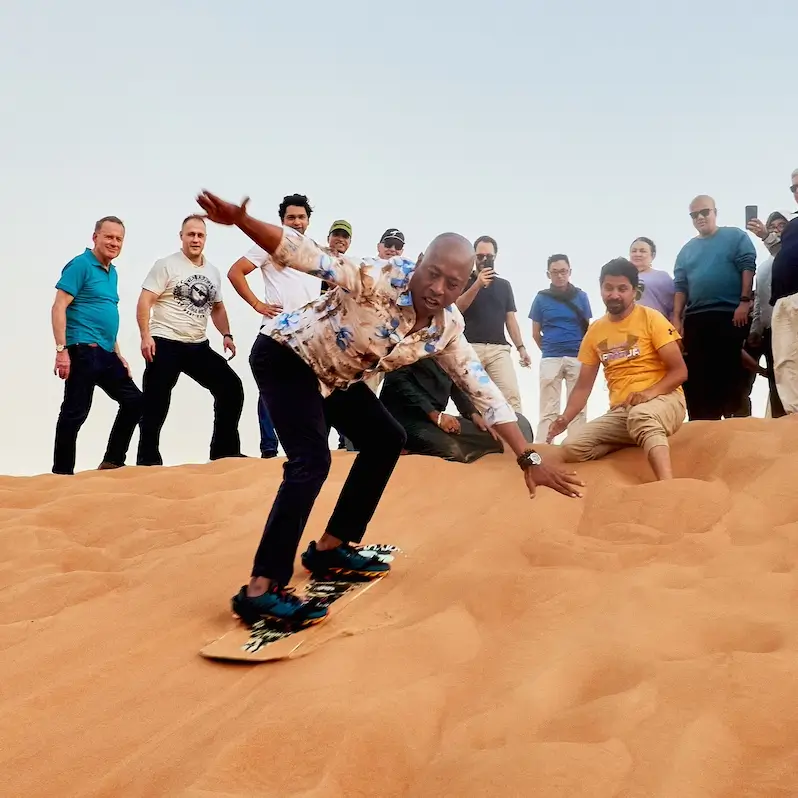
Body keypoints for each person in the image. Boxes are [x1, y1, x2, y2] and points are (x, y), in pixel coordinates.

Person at [194, 189, 585, 629]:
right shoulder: (374, 276)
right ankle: (261, 589)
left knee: (387, 438)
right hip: (288, 355)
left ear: (463, 286)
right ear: (419, 262)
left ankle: (331, 547)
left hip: (337, 376)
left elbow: (484, 394)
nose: (438, 289)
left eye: (452, 284)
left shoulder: (448, 328)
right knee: (311, 461)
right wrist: (241, 221)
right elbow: (306, 255)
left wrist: (527, 457)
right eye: (432, 274)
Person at [547, 258, 687, 481]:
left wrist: (648, 394)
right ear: (601, 288)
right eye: (608, 288)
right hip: (622, 411)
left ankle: (666, 484)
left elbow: (680, 372)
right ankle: (631, 442)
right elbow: (583, 387)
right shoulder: (595, 331)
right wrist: (564, 418)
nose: (614, 295)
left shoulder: (652, 318)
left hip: (665, 400)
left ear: (634, 290)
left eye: (622, 289)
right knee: (571, 447)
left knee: (642, 416)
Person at [135, 215, 244, 466]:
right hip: (165, 341)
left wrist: (226, 334)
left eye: (200, 235)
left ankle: (224, 451)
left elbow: (217, 308)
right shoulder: (166, 265)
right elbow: (145, 301)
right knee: (156, 402)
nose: (195, 239)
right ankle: (147, 461)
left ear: (205, 239)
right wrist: (145, 336)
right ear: (181, 236)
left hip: (197, 345)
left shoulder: (212, 272)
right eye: (191, 234)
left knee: (231, 388)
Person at [227, 193, 317, 457]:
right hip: (277, 331)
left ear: (308, 221)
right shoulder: (270, 242)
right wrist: (257, 304)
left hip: (309, 335)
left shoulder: (314, 249)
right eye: (291, 217)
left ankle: (303, 447)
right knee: (272, 391)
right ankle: (269, 449)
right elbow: (236, 271)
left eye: (301, 217)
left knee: (308, 393)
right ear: (282, 220)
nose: (297, 222)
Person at [51, 216, 143, 475]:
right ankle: (61, 474)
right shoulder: (80, 265)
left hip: (105, 352)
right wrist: (61, 350)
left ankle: (113, 460)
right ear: (95, 237)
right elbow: (59, 307)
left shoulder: (112, 272)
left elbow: (105, 314)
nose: (114, 243)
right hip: (81, 349)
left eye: (118, 239)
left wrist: (118, 354)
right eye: (109, 237)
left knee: (135, 401)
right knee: (75, 412)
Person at [672, 195, 757, 420]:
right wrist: (677, 319)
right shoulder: (686, 249)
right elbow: (680, 285)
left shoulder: (735, 236)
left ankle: (737, 424)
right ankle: (702, 428)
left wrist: (744, 301)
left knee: (732, 371)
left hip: (730, 313)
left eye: (704, 212)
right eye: (694, 214)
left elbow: (747, 266)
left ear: (715, 212)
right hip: (696, 318)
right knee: (698, 375)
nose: (700, 217)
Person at [456, 235, 531, 413]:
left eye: (488, 256)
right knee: (473, 402)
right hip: (471, 348)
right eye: (480, 256)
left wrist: (521, 348)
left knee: (511, 396)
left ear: (495, 257)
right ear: (473, 257)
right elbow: (457, 310)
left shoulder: (504, 286)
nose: (484, 260)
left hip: (498, 349)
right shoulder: (463, 281)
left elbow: (510, 319)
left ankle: (519, 439)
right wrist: (477, 284)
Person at [380, 357, 504, 463]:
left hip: (435, 420)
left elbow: (455, 388)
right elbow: (398, 382)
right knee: (452, 450)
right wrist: (433, 414)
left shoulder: (447, 352)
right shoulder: (409, 343)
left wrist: (473, 414)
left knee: (491, 440)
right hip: (402, 419)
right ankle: (400, 448)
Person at [529, 254, 592, 443]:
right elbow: (535, 333)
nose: (559, 276)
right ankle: (544, 448)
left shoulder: (581, 297)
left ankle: (578, 446)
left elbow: (586, 328)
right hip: (551, 357)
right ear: (548, 274)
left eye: (563, 271)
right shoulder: (541, 298)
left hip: (577, 356)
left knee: (578, 408)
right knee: (549, 408)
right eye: (555, 272)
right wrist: (549, 349)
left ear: (570, 272)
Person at [748, 212, 788, 417]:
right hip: (770, 328)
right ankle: (780, 426)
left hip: (790, 325)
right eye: (772, 226)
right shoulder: (764, 267)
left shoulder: (790, 255)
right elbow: (759, 301)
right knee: (775, 376)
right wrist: (756, 329)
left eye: (782, 225)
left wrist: (765, 235)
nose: (776, 229)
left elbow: (783, 252)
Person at [768, 168, 798, 415]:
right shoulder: (792, 225)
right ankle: (794, 418)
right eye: (794, 187)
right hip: (782, 300)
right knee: (784, 360)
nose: (797, 191)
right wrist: (765, 236)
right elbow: (780, 253)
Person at [629, 237, 675, 320]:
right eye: (634, 251)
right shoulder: (623, 277)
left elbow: (674, 306)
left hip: (656, 326)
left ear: (652, 255)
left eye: (642, 251)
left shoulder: (661, 276)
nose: (637, 254)